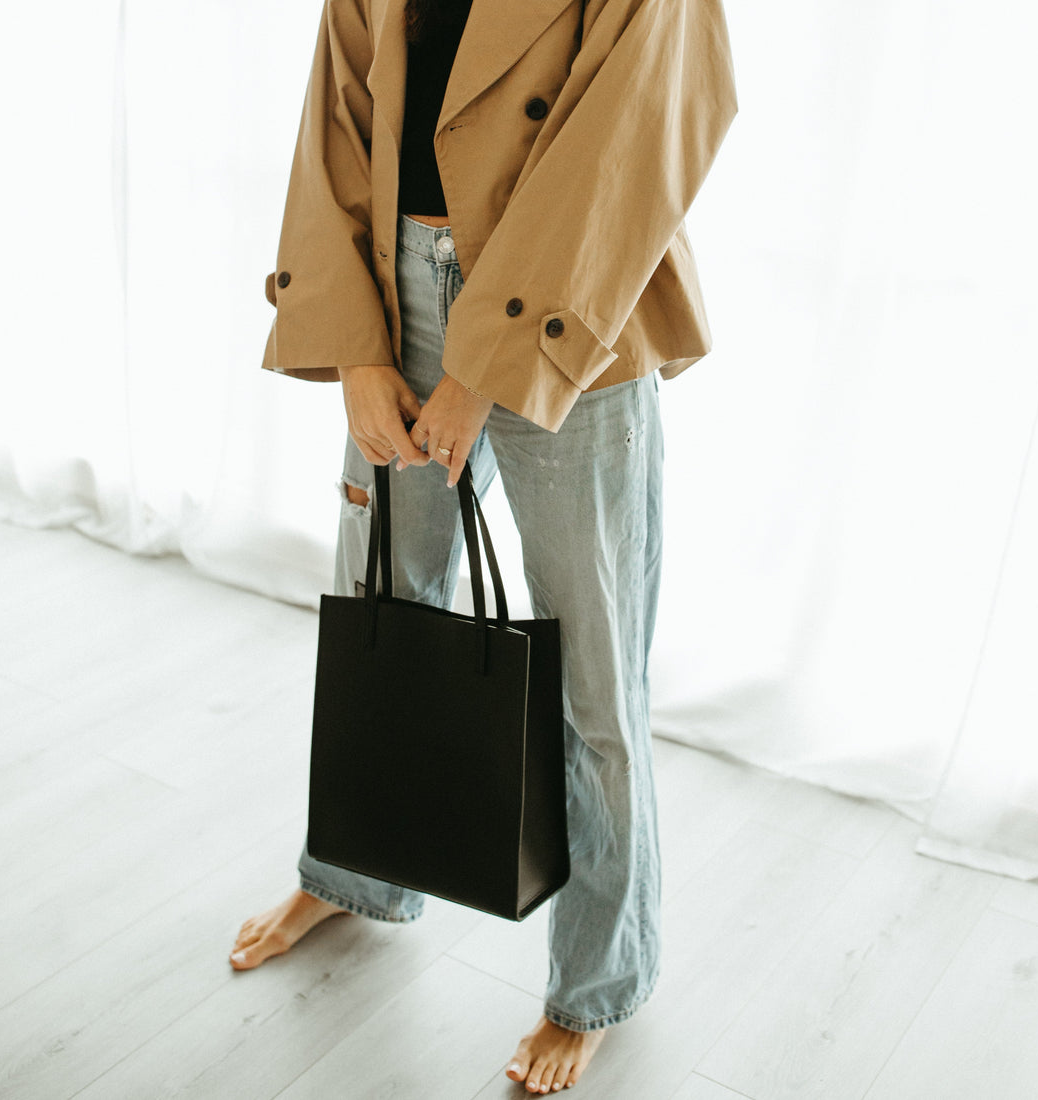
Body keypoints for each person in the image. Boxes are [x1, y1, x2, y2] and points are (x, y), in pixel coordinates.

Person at [231, 0, 737, 1091]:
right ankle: (356, 870)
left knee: (590, 667)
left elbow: (637, 135)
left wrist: (484, 366)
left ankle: (595, 980)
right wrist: (355, 343)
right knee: (382, 608)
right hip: (395, 280)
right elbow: (337, 112)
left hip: (569, 300)